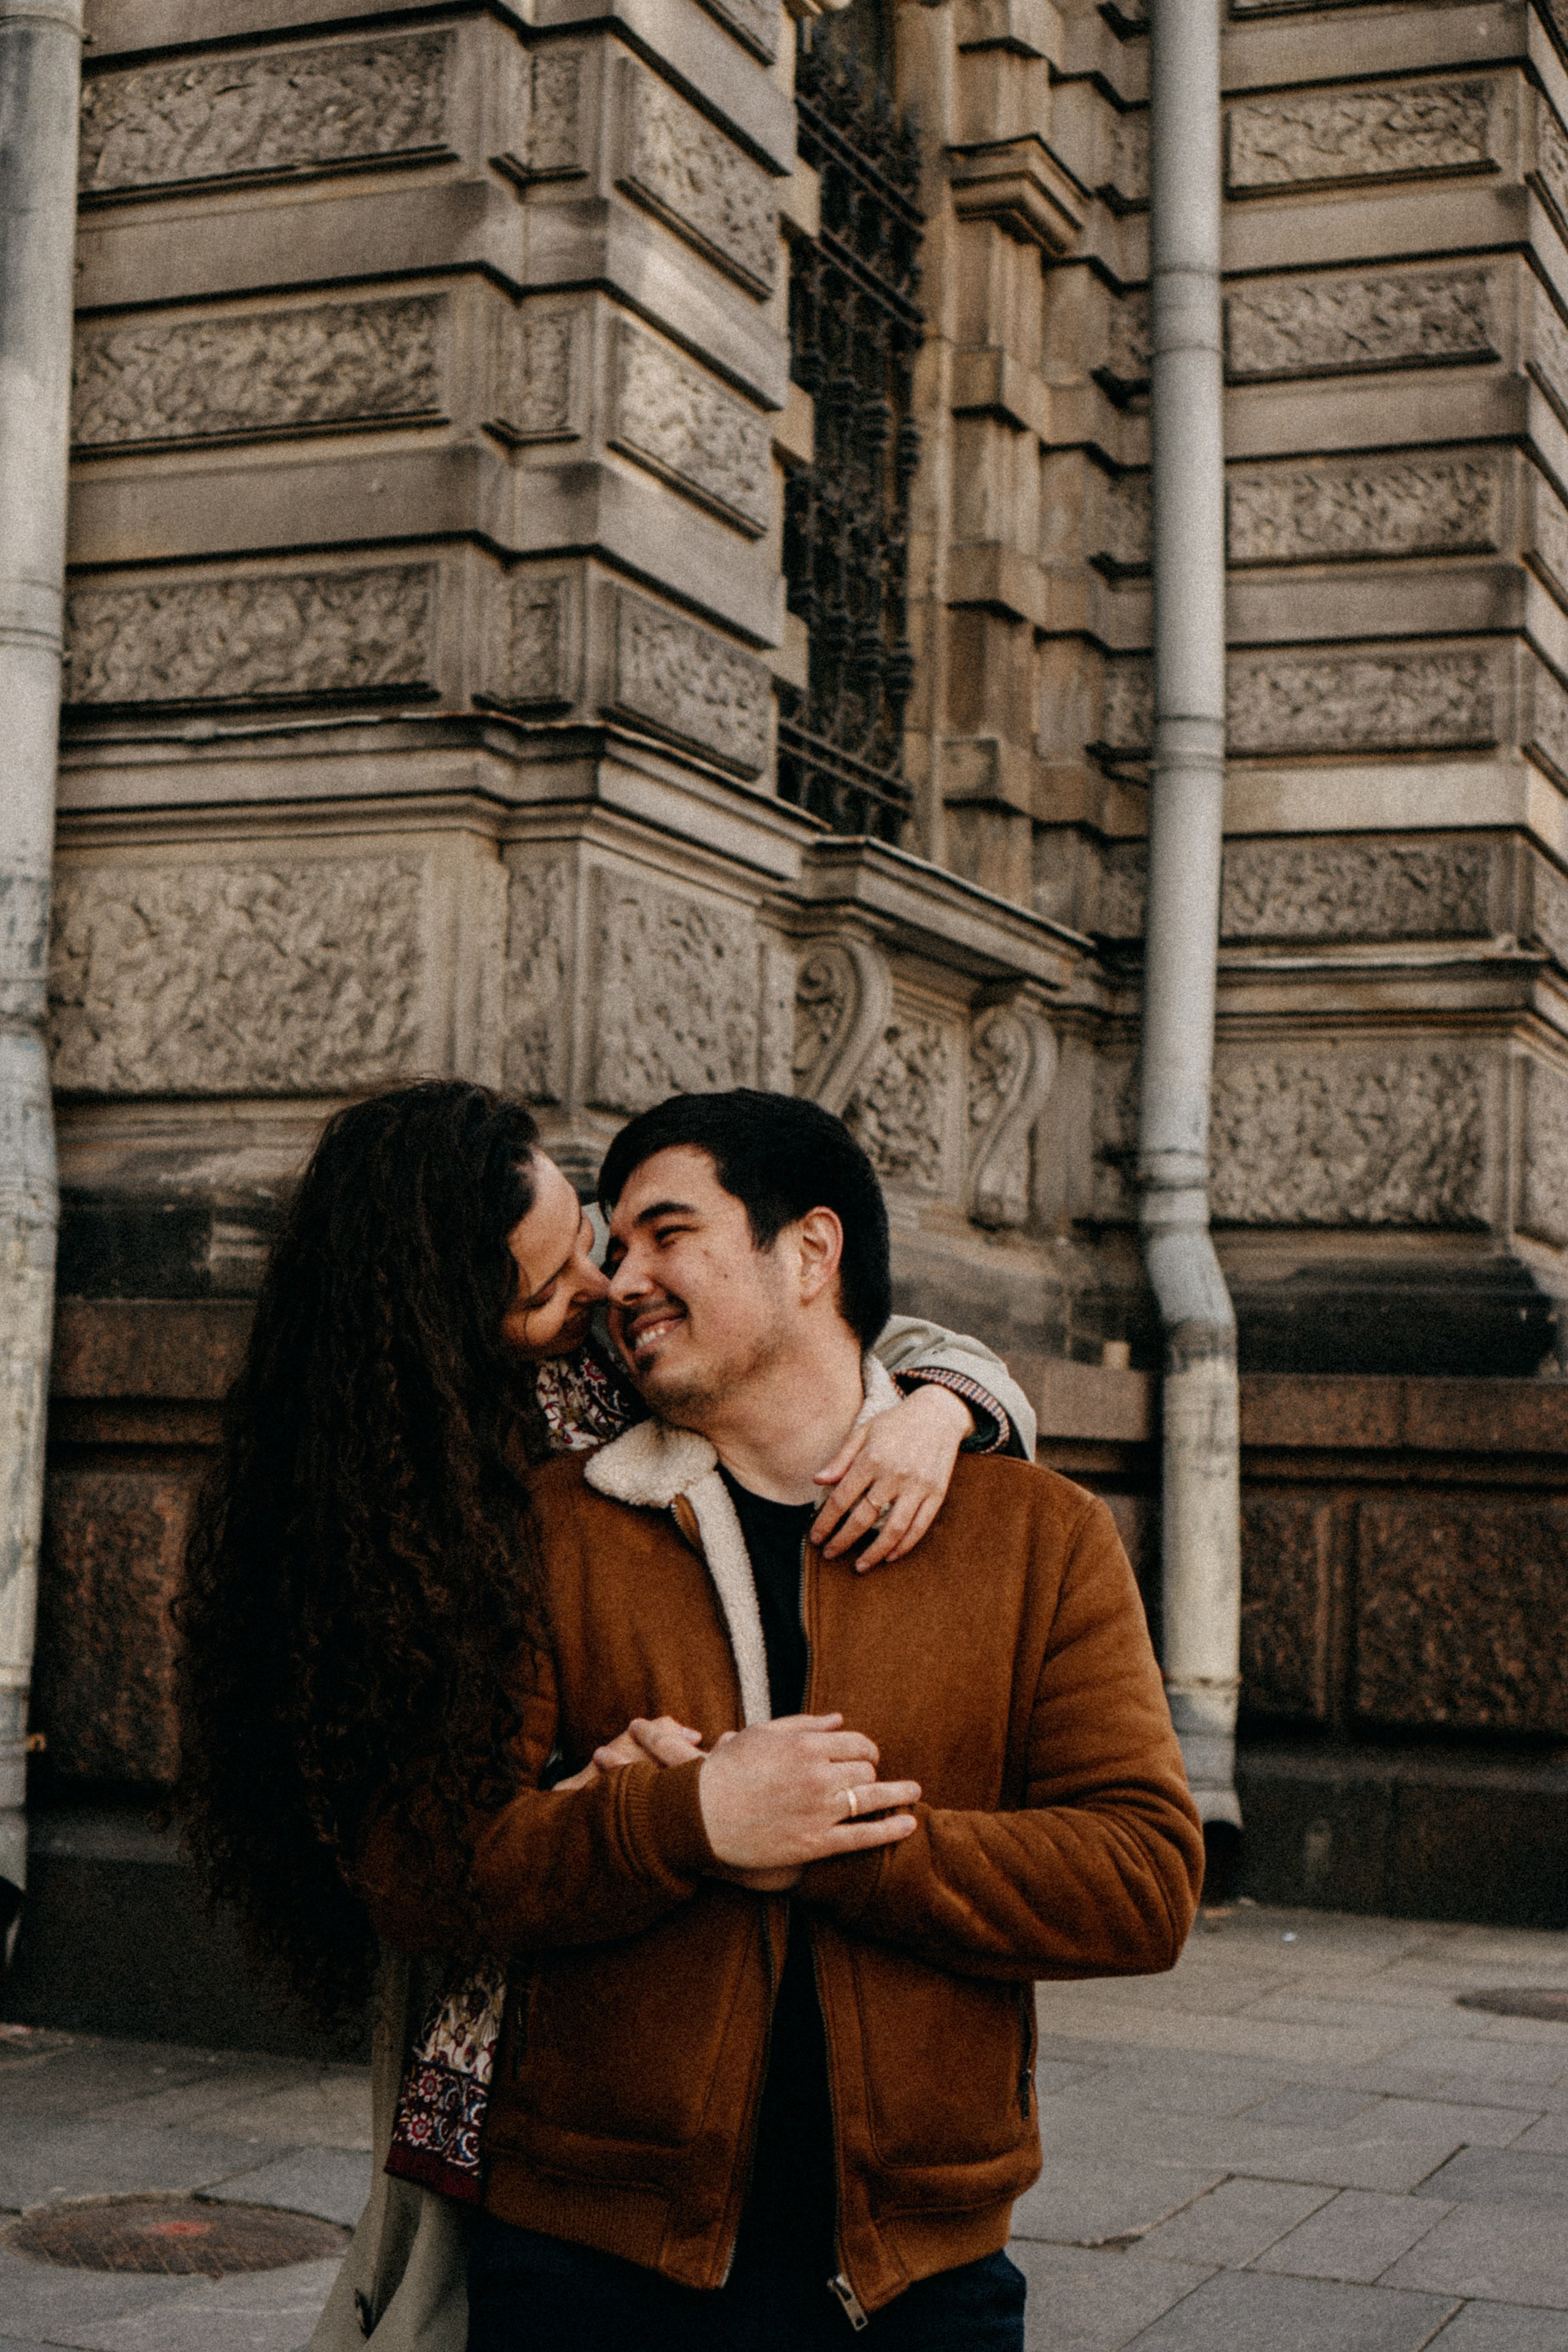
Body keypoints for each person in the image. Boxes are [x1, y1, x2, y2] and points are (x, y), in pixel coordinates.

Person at [172, 1080, 1033, 2351]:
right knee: (447, 2285)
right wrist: (604, 1792)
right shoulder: (382, 1500)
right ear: (445, 1325)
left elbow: (851, 1332)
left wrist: (941, 1412)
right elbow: (420, 1850)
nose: (600, 1284)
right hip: (522, 2030)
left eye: (590, 1236)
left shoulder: (621, 1354)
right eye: (547, 1284)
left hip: (762, 2066)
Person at [356, 1090, 1205, 2351]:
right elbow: (422, 1871)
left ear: (809, 1253)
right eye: (606, 1244)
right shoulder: (547, 1529)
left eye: (664, 1233)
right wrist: (684, 1821)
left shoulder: (1038, 1538)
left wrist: (832, 1836)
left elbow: (1144, 1881)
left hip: (916, 2272)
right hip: (587, 2265)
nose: (617, 1280)